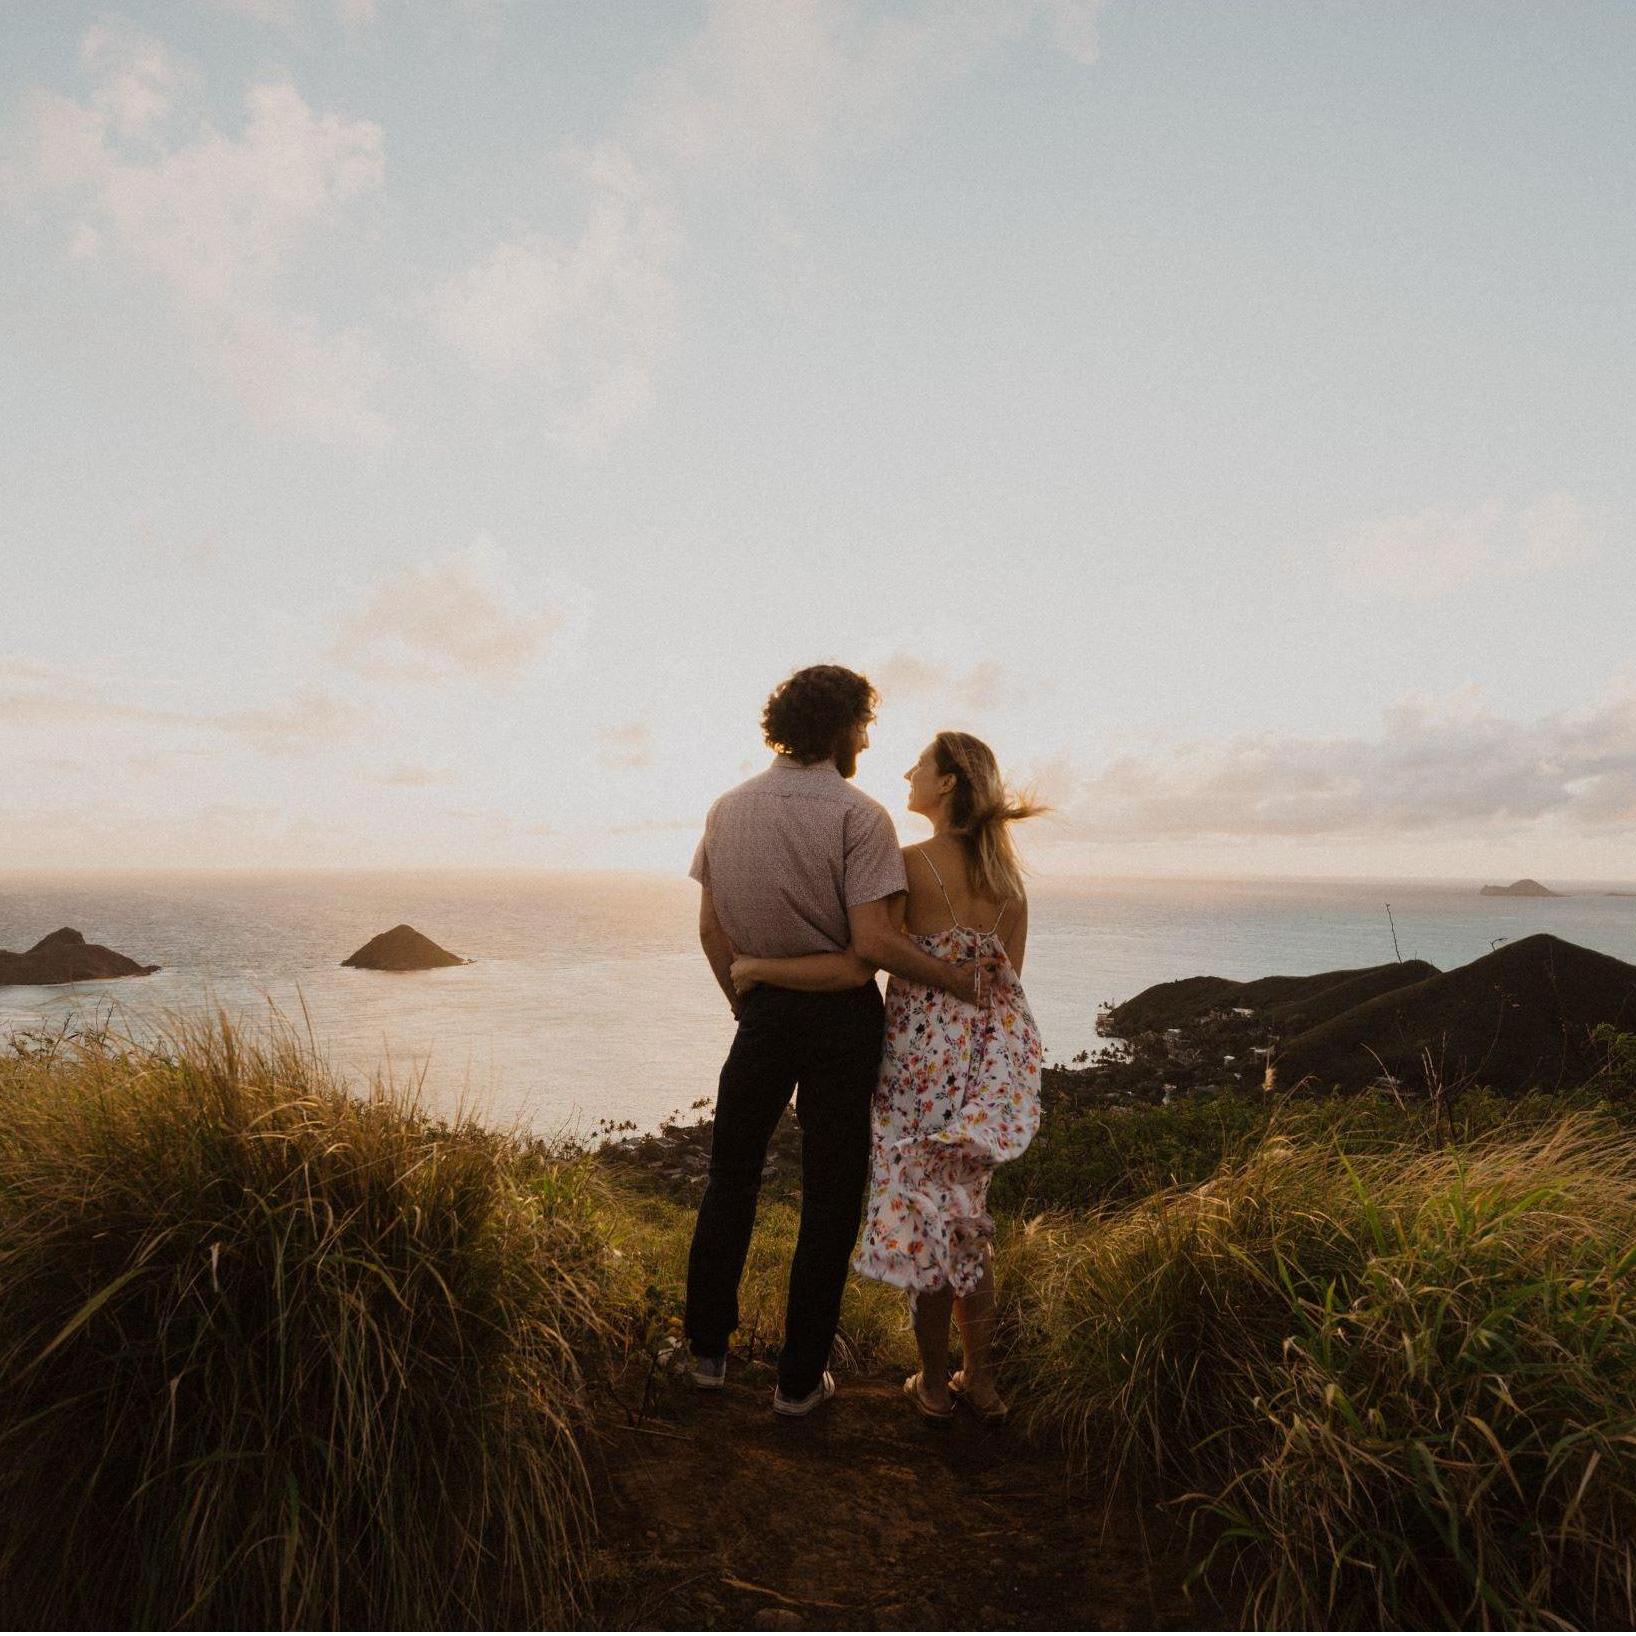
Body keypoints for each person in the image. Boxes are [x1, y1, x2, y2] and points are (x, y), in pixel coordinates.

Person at [686, 667, 989, 1417]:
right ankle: (797, 1382)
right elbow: (869, 949)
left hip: (760, 1015)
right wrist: (956, 980)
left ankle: (704, 1354)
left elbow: (710, 928)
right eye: (863, 725)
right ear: (839, 726)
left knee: (731, 1179)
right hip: (842, 1023)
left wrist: (747, 996)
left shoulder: (726, 809)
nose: (866, 740)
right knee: (828, 1199)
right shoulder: (861, 818)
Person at [730, 731, 1043, 1423]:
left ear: (950, 784)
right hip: (978, 1072)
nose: (907, 771)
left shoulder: (905, 866)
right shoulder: (1010, 888)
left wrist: (757, 968)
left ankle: (933, 1384)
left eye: (921, 765)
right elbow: (1005, 994)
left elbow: (862, 958)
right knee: (967, 1222)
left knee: (927, 1221)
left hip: (913, 1071)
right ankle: (979, 1380)